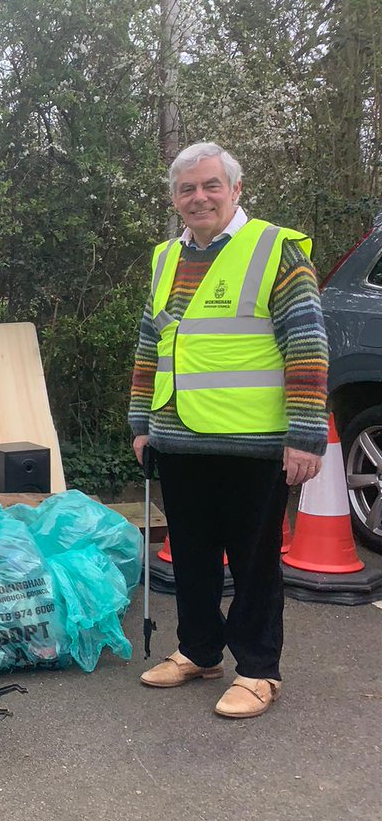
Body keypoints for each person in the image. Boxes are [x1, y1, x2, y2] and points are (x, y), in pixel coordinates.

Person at [129, 142, 327, 718]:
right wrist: (141, 423)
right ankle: (198, 650)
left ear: (235, 190)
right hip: (179, 439)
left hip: (254, 444)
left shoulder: (276, 250)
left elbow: (308, 347)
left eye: (211, 185)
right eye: (187, 189)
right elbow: (150, 347)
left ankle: (260, 670)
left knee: (254, 562)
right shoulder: (166, 257)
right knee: (189, 554)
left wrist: (306, 435)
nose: (199, 197)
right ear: (174, 199)